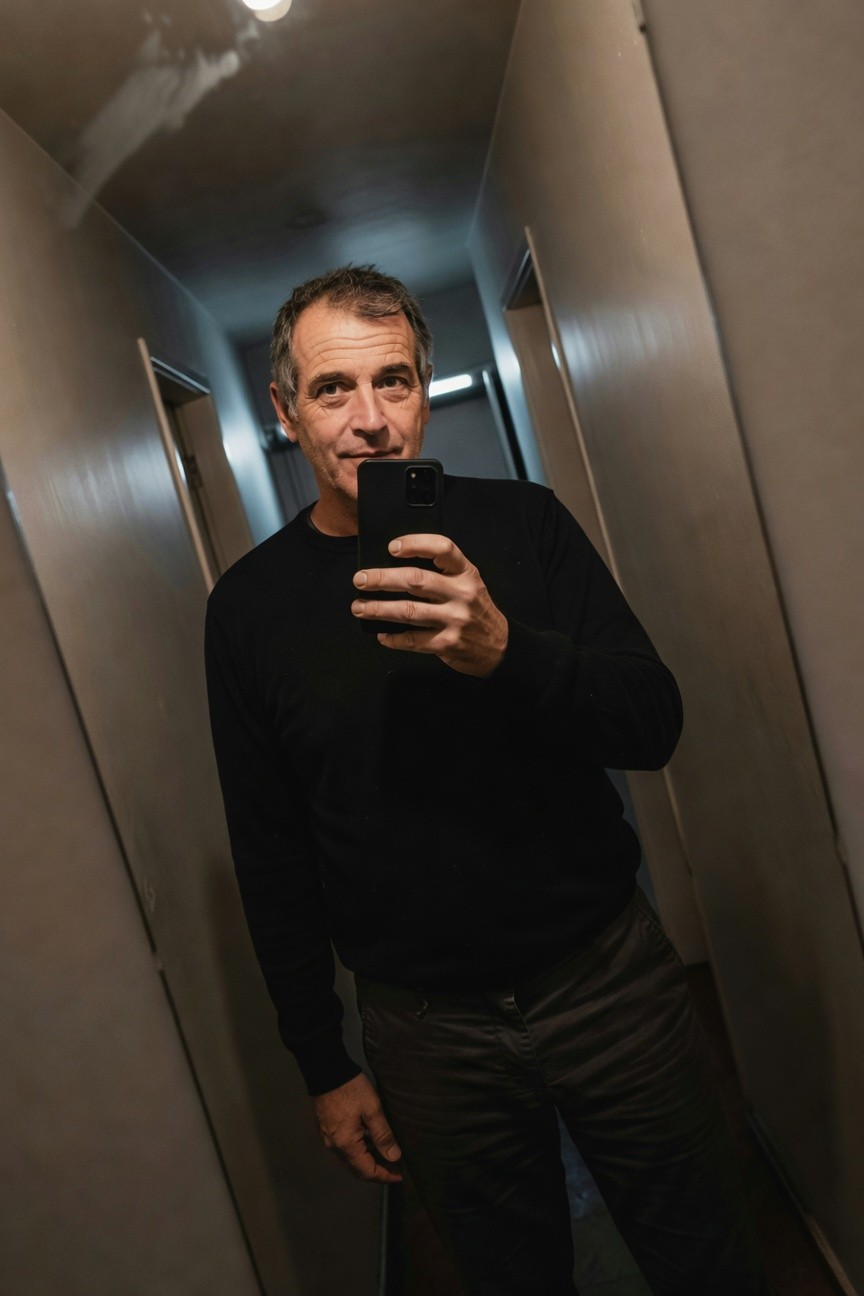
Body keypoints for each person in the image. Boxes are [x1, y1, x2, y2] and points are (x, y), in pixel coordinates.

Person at [205, 264, 767, 1295]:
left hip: (607, 981)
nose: (370, 421)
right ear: (286, 413)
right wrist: (322, 1064)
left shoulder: (528, 526)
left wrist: (508, 650)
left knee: (706, 1253)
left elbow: (654, 721)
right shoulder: (248, 612)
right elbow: (270, 848)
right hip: (427, 1033)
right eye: (334, 390)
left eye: (397, 381)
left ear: (427, 389)